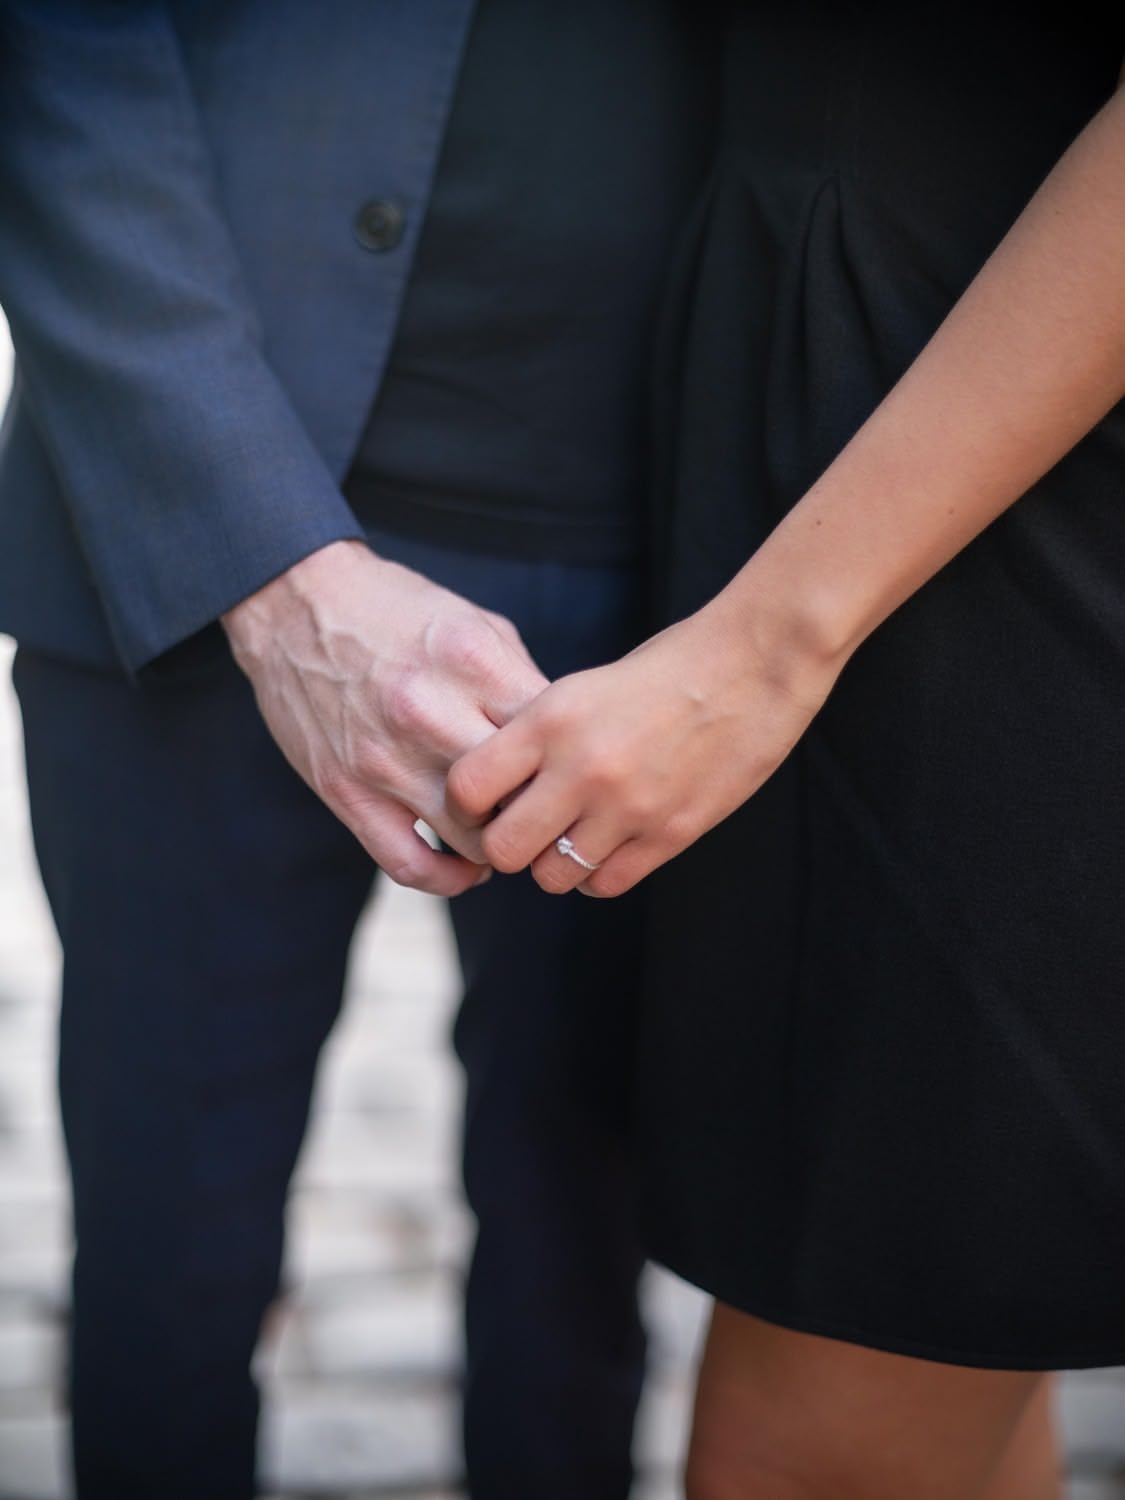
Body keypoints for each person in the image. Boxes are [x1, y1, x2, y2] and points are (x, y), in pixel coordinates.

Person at [0, 4, 717, 1496]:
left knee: (586, 1257)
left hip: (678, 555)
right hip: (178, 521)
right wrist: (265, 566)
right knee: (163, 1261)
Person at [445, 3, 1125, 1495]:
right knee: (936, 1355)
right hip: (854, 484)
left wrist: (769, 642)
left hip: (985, 535)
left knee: (810, 1435)